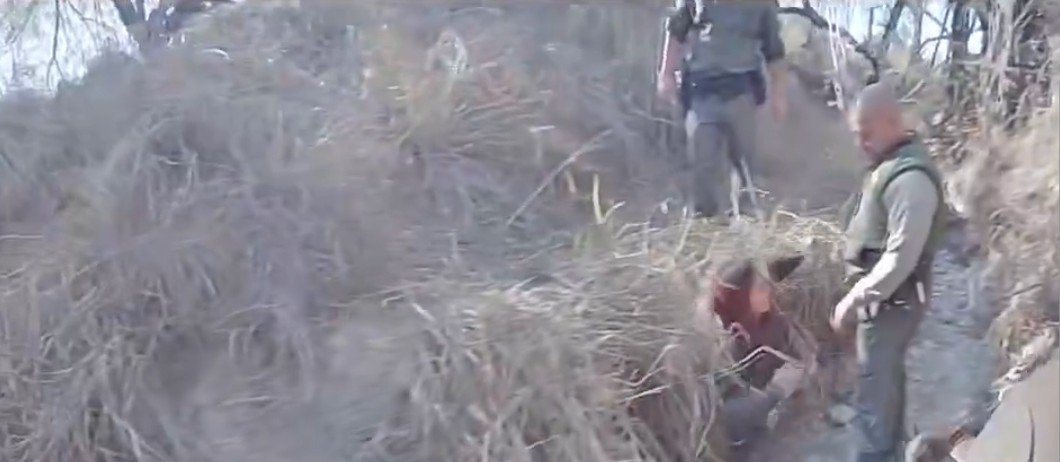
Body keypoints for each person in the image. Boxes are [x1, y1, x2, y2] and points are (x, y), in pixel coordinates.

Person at [830, 82, 947, 462]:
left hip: (892, 303)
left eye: (867, 132)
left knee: (875, 390)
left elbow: (900, 258)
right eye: (857, 134)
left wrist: (853, 300)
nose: (861, 143)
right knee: (885, 382)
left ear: (892, 121)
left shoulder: (909, 179)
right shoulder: (892, 167)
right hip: (888, 302)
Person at [657, 0, 789, 220]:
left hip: (742, 90)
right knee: (702, 160)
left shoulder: (760, 6)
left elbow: (774, 52)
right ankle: (704, 220)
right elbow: (676, 33)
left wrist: (779, 96)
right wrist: (666, 74)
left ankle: (748, 218)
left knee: (745, 162)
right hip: (703, 90)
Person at [709, 256, 812, 460]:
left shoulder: (774, 323)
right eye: (761, 287)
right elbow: (726, 415)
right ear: (740, 295)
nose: (769, 291)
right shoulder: (718, 340)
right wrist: (774, 393)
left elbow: (805, 359)